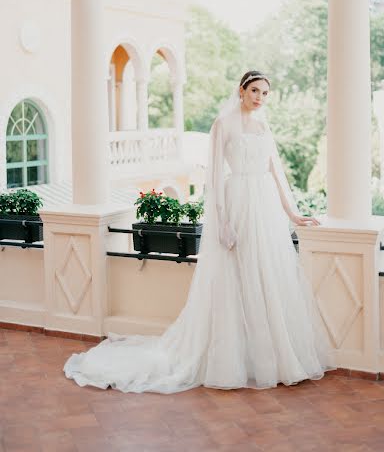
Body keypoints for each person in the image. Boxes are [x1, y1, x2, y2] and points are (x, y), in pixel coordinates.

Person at [64, 70, 336, 393]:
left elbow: (275, 172)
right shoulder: (223, 125)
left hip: (265, 210)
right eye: (255, 91)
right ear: (241, 90)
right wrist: (221, 222)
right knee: (235, 279)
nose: (260, 98)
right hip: (236, 204)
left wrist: (292, 213)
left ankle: (269, 359)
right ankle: (232, 360)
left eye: (265, 93)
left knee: (268, 277)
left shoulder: (264, 125)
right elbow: (215, 178)